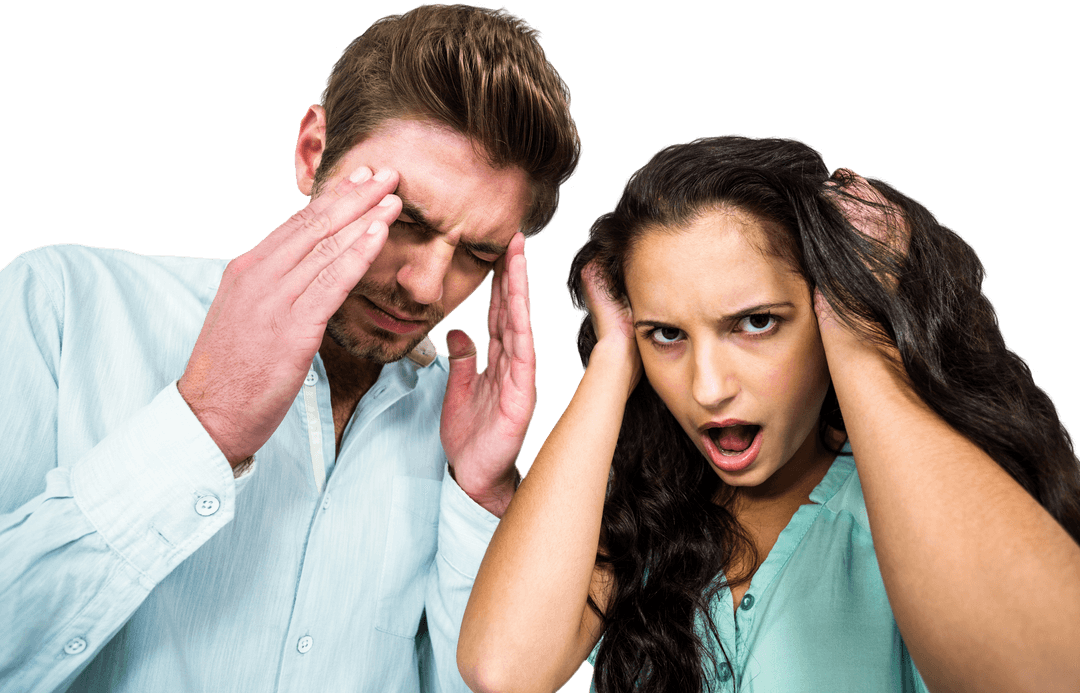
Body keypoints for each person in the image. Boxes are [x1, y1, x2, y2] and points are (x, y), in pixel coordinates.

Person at [0, 5, 581, 692]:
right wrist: (205, 426)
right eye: (403, 219)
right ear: (313, 153)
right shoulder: (61, 304)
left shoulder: (460, 434)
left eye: (477, 253)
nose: (424, 285)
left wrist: (481, 500)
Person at [459, 135, 1080, 693]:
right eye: (668, 335)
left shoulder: (927, 504)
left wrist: (863, 336)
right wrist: (613, 359)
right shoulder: (649, 518)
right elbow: (502, 669)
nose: (707, 389)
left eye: (757, 323)